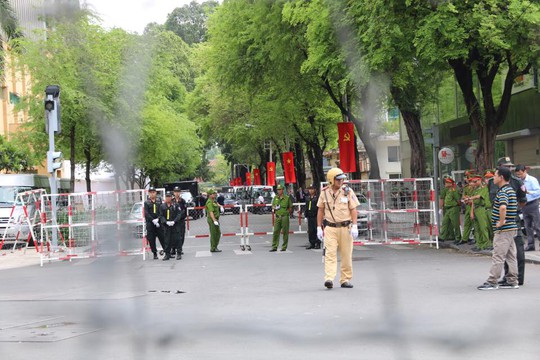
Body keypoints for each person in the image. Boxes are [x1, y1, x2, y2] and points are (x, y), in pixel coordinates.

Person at [317, 168, 359, 289]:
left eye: (342, 179)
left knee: (346, 255)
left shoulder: (347, 191)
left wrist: (355, 226)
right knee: (330, 254)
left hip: (345, 228)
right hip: (330, 228)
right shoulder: (324, 192)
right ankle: (329, 278)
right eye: (338, 179)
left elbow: (353, 209)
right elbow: (320, 210)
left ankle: (345, 279)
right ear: (331, 180)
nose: (341, 181)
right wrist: (319, 227)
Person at [477, 166, 519, 290]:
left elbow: (503, 207)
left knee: (498, 255)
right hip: (511, 227)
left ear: (501, 177)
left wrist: (500, 222)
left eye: (495, 175)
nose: (493, 178)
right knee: (511, 255)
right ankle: (512, 280)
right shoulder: (510, 189)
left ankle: (492, 281)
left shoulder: (503, 191)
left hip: (504, 229)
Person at [496, 157, 527, 286]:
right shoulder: (494, 182)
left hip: (513, 220)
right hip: (501, 220)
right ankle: (508, 277)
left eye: (510, 167)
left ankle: (518, 278)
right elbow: (494, 201)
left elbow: (523, 200)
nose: (509, 169)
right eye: (506, 166)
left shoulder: (517, 182)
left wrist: (513, 211)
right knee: (505, 250)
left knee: (518, 249)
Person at [514, 164, 540, 251]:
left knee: (537, 225)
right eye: (517, 174)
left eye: (520, 174)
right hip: (524, 205)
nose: (519, 176)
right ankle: (531, 244)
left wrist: (528, 192)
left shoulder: (532, 180)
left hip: (533, 203)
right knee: (527, 226)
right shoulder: (518, 181)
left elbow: (538, 192)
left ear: (525, 171)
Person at [464, 173, 492, 250]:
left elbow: (478, 196)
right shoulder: (475, 190)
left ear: (479, 180)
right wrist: (471, 212)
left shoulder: (484, 188)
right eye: (472, 182)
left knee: (483, 227)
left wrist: (469, 198)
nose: (473, 183)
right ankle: (479, 244)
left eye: (475, 182)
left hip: (481, 209)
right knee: (477, 228)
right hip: (475, 208)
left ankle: (487, 244)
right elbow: (473, 201)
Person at [270, 184, 293, 252]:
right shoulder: (275, 198)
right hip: (277, 217)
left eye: (280, 189)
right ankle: (274, 246)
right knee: (276, 232)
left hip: (284, 217)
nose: (278, 191)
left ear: (283, 190)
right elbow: (273, 206)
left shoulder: (287, 198)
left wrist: (286, 213)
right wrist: (274, 207)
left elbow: (290, 207)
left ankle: (284, 247)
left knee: (285, 232)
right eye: (277, 189)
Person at [159, 191, 181, 261]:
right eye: (167, 197)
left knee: (177, 239)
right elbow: (161, 215)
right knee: (167, 240)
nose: (168, 198)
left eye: (169, 196)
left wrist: (174, 221)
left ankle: (179, 253)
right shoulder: (162, 206)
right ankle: (167, 254)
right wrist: (166, 222)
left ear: (171, 197)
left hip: (175, 225)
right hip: (167, 226)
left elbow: (179, 214)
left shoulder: (176, 205)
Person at [439, 176, 462, 243]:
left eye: (447, 183)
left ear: (451, 184)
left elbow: (458, 200)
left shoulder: (454, 190)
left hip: (453, 208)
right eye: (446, 182)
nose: (446, 184)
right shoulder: (447, 190)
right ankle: (442, 237)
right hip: (447, 209)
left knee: (455, 224)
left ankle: (458, 237)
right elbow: (442, 199)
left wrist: (458, 206)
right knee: (445, 222)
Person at [144, 187, 164, 259]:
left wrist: (158, 219)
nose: (152, 194)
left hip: (158, 223)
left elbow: (161, 211)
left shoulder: (159, 201)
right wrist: (152, 220)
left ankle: (166, 251)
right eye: (151, 192)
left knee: (162, 237)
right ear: (149, 193)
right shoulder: (146, 202)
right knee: (151, 239)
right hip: (150, 223)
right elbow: (146, 213)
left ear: (156, 193)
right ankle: (154, 253)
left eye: (153, 192)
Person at [172, 186, 187, 259]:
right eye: (175, 192)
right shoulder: (172, 201)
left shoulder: (183, 201)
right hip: (174, 221)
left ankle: (180, 249)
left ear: (180, 192)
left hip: (181, 221)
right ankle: (174, 249)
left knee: (181, 235)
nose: (177, 193)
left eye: (178, 192)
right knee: (173, 236)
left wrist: (180, 217)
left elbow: (184, 211)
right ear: (174, 193)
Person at [304, 184, 320, 249]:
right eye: (309, 189)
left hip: (315, 215)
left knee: (316, 230)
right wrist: (305, 215)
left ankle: (318, 243)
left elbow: (319, 207)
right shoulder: (307, 198)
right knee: (310, 231)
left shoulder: (317, 197)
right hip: (310, 216)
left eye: (312, 189)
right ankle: (312, 243)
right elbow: (306, 207)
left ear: (315, 190)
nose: (310, 190)